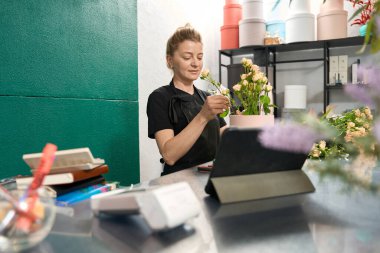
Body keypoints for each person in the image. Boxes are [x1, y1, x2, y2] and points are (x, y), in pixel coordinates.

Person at [147, 24, 229, 176]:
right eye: (187, 57)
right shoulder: (159, 98)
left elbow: (227, 138)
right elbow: (169, 155)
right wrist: (203, 116)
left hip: (211, 178)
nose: (196, 63)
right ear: (169, 60)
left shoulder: (207, 98)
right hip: (179, 186)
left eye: (199, 57)